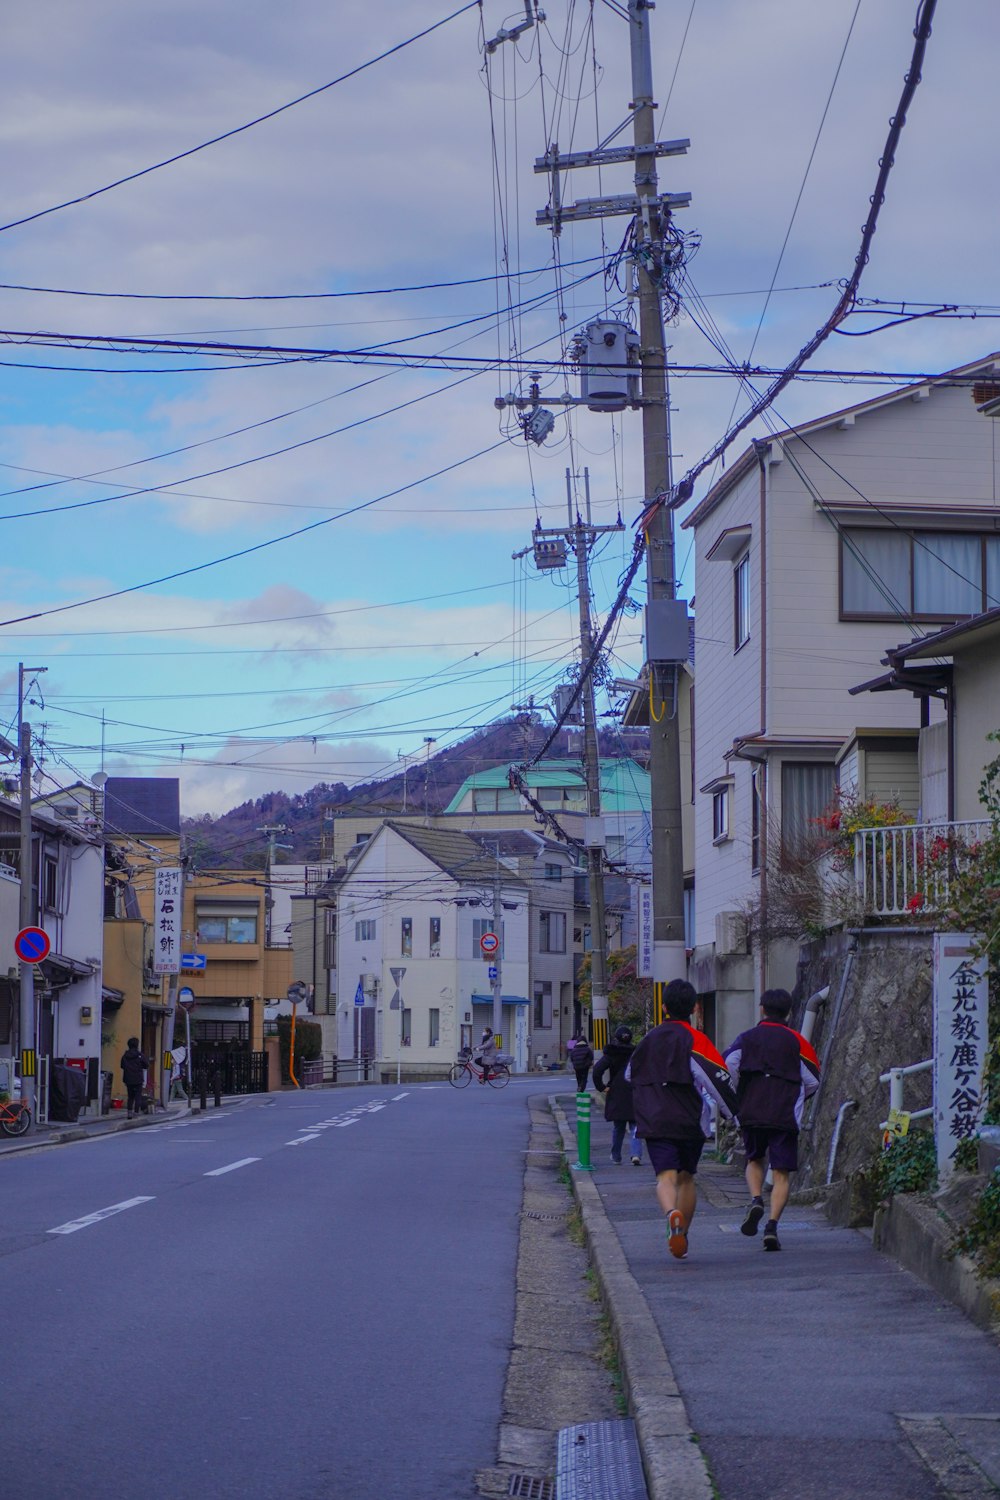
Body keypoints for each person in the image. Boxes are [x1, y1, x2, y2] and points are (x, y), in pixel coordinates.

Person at [628, 979, 737, 1260]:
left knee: (665, 1177)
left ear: (663, 1007)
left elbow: (630, 1075)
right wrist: (733, 1114)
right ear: (694, 1008)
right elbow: (717, 1079)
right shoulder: (696, 1040)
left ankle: (670, 1213)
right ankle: (682, 1234)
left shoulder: (648, 1040)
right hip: (688, 1120)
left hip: (654, 1119)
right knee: (687, 1179)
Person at [724, 987, 821, 1252]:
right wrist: (799, 1096)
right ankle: (772, 1226)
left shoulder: (746, 1038)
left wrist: (740, 1091)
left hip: (752, 1108)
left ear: (762, 1009)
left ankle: (756, 1199)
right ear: (789, 1012)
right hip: (784, 1111)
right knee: (781, 1173)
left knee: (754, 1159)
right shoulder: (797, 1042)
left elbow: (729, 1064)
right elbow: (813, 1079)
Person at [593, 1024, 642, 1166]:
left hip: (617, 1091)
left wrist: (602, 1087)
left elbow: (597, 1070)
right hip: (634, 1089)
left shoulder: (612, 1053)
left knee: (618, 1126)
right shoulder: (636, 1053)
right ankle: (635, 1154)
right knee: (635, 1125)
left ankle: (616, 1156)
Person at [120, 1037, 149, 1119]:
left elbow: (122, 1066)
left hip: (128, 1079)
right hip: (138, 1079)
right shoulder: (140, 1055)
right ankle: (136, 1113)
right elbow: (146, 1065)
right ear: (137, 1045)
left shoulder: (125, 1056)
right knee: (138, 1096)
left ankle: (129, 1113)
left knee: (130, 1096)